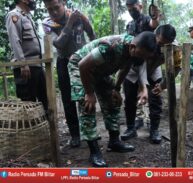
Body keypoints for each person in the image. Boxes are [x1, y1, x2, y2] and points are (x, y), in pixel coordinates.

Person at [68, 31, 157, 167]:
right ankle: (94, 152)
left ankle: (114, 142)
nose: (142, 60)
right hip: (80, 66)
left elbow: (125, 68)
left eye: (145, 57)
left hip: (99, 70)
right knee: (87, 105)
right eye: (141, 56)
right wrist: (89, 93)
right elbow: (83, 66)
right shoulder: (110, 47)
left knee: (113, 101)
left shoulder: (134, 53)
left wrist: (116, 89)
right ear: (132, 47)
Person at [42, 0, 96, 147]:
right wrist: (70, 23)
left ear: (63, 3)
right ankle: (75, 135)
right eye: (49, 9)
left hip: (83, 62)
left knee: (85, 95)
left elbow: (92, 35)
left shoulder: (78, 16)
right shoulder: (47, 24)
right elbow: (59, 44)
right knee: (67, 100)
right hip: (64, 62)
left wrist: (87, 24)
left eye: (56, 7)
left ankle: (90, 134)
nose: (53, 12)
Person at [121, 0, 161, 143]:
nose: (132, 11)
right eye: (129, 9)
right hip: (133, 65)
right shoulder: (130, 25)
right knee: (129, 97)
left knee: (155, 97)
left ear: (140, 6)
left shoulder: (146, 19)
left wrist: (155, 17)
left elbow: (153, 24)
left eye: (134, 8)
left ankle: (154, 129)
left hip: (151, 63)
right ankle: (131, 128)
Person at [5, 0, 48, 111]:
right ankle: (31, 129)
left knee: (45, 101)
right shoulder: (14, 15)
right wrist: (23, 64)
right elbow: (15, 40)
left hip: (36, 65)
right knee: (28, 105)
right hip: (26, 68)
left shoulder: (27, 16)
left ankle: (46, 127)